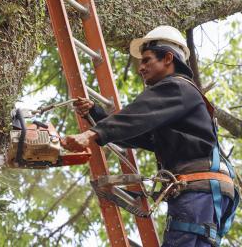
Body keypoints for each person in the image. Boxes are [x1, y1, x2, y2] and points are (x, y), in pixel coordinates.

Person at [61, 26, 238, 247]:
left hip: (198, 189)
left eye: (146, 60)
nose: (141, 68)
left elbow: (137, 116)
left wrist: (89, 135)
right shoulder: (179, 101)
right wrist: (95, 114)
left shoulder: (177, 86)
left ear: (168, 58)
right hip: (205, 191)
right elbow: (140, 134)